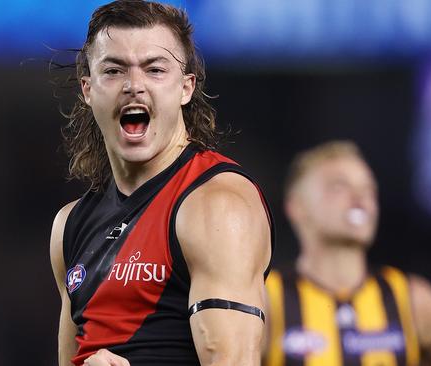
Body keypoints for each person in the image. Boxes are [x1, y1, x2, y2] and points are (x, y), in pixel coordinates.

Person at [49, 1, 275, 365]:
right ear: (88, 90)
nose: (134, 86)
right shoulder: (69, 226)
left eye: (154, 69)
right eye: (114, 70)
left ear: (185, 88)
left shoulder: (217, 206)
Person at [263, 140, 431, 366]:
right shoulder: (268, 301)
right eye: (339, 187)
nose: (360, 199)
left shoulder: (413, 300)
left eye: (368, 189)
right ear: (297, 206)